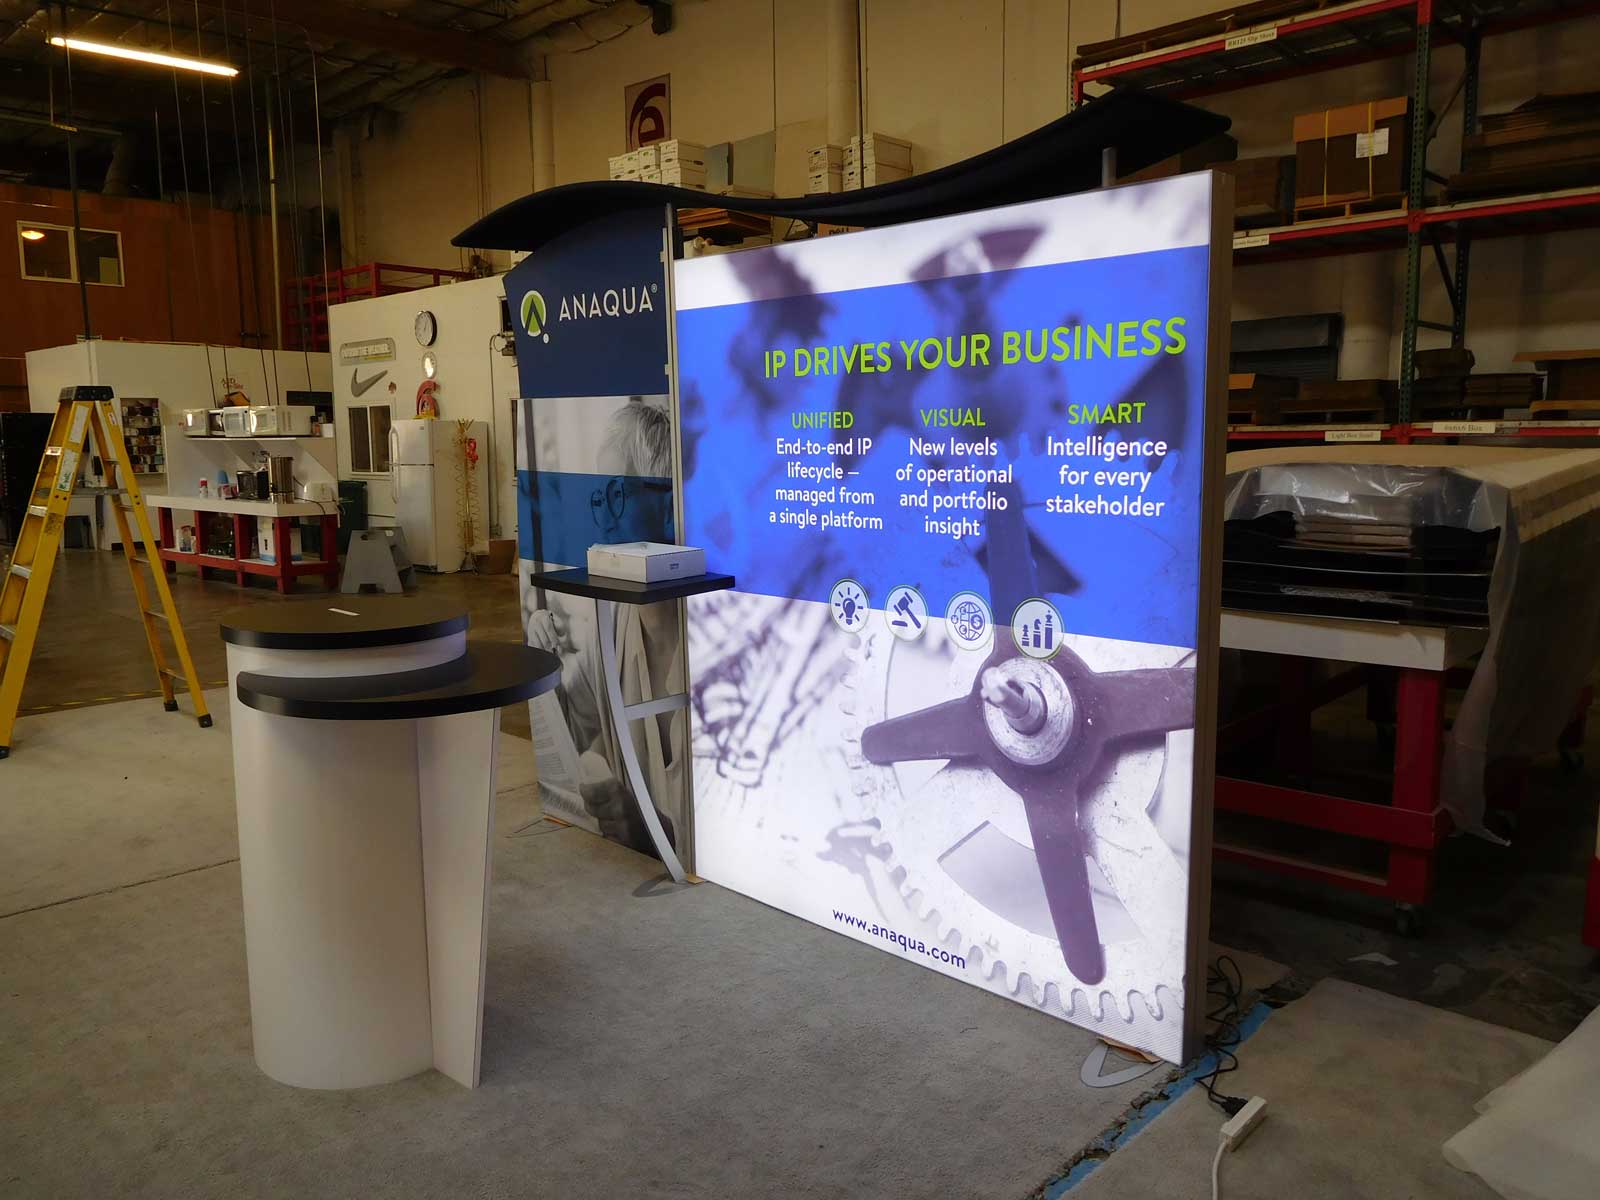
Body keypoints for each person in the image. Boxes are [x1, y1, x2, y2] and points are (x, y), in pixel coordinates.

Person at [526, 399, 686, 857]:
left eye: (618, 493)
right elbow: (577, 723)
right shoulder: (613, 622)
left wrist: (650, 830)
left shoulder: (714, 638)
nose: (606, 519)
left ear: (669, 505)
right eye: (599, 497)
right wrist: (542, 659)